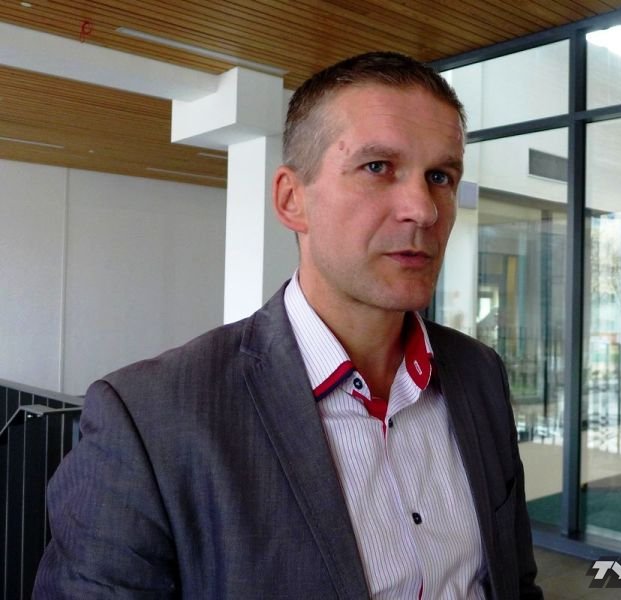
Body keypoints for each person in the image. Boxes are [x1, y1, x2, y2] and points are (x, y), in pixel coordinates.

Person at [33, 51, 542, 599]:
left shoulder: (478, 374)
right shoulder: (151, 420)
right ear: (291, 199)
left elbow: (514, 581)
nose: (424, 209)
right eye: (377, 167)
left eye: (440, 176)